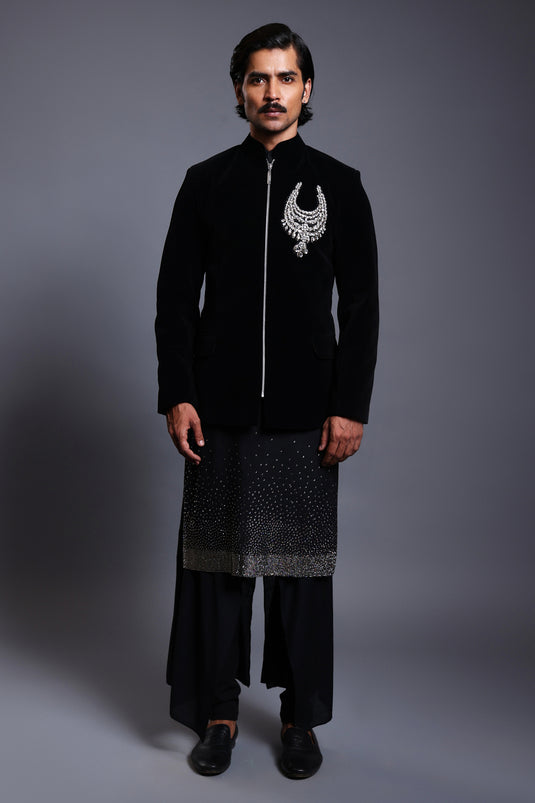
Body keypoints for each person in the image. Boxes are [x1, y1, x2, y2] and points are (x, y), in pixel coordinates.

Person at [155, 22, 378, 779]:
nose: (272, 92)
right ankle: (218, 712)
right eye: (258, 78)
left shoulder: (340, 185)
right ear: (239, 90)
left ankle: (299, 718)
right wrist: (178, 393)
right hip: (217, 410)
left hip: (306, 413)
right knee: (216, 570)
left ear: (306, 89)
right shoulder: (206, 182)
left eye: (285, 78)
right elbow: (175, 300)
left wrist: (350, 405)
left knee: (301, 575)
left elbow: (363, 307)